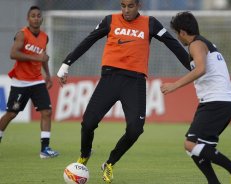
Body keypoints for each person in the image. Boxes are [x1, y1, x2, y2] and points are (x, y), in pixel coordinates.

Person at [57, 0, 190, 182]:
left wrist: (193, 67)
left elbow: (173, 44)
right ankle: (84, 155)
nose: (126, 10)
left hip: (134, 83)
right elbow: (88, 41)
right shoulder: (109, 20)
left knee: (135, 129)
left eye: (130, 6)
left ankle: (110, 163)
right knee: (88, 123)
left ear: (139, 6)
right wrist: (66, 63)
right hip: (110, 79)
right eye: (123, 5)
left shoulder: (150, 23)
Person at [161, 11, 231, 184]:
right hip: (216, 102)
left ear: (182, 32)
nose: (178, 37)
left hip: (216, 102)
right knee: (194, 147)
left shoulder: (196, 44)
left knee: (190, 145)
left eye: (177, 33)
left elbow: (201, 69)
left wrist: (174, 85)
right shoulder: (203, 43)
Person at [0, 6, 59, 159]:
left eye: (39, 16)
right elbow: (13, 54)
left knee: (47, 112)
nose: (36, 18)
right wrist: (37, 58)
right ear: (28, 18)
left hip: (37, 81)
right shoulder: (22, 34)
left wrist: (47, 74)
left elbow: (43, 56)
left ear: (41, 18)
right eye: (33, 16)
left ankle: (45, 149)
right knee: (12, 113)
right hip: (21, 82)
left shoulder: (44, 37)